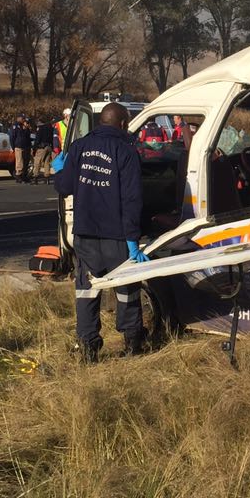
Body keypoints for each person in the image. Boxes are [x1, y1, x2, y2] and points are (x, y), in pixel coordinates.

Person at [54, 102, 148, 361]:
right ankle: (132, 343)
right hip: (116, 237)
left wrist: (59, 169)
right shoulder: (125, 151)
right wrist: (133, 240)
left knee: (87, 290)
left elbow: (64, 187)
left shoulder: (79, 147)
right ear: (121, 123)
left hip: (84, 235)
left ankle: (88, 347)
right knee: (126, 289)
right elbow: (132, 200)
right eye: (127, 122)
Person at [31, 118, 54, 184]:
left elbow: (37, 139)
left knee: (37, 162)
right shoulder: (50, 128)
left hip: (41, 147)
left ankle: (35, 178)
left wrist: (34, 149)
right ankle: (47, 178)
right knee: (47, 162)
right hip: (49, 146)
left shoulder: (40, 128)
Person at [11, 116, 33, 182]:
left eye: (26, 122)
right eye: (24, 120)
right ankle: (18, 175)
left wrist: (27, 129)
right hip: (19, 147)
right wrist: (13, 146)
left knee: (26, 162)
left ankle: (24, 175)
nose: (25, 122)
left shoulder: (26, 128)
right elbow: (12, 137)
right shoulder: (15, 126)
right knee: (19, 162)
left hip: (26, 147)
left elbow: (28, 138)